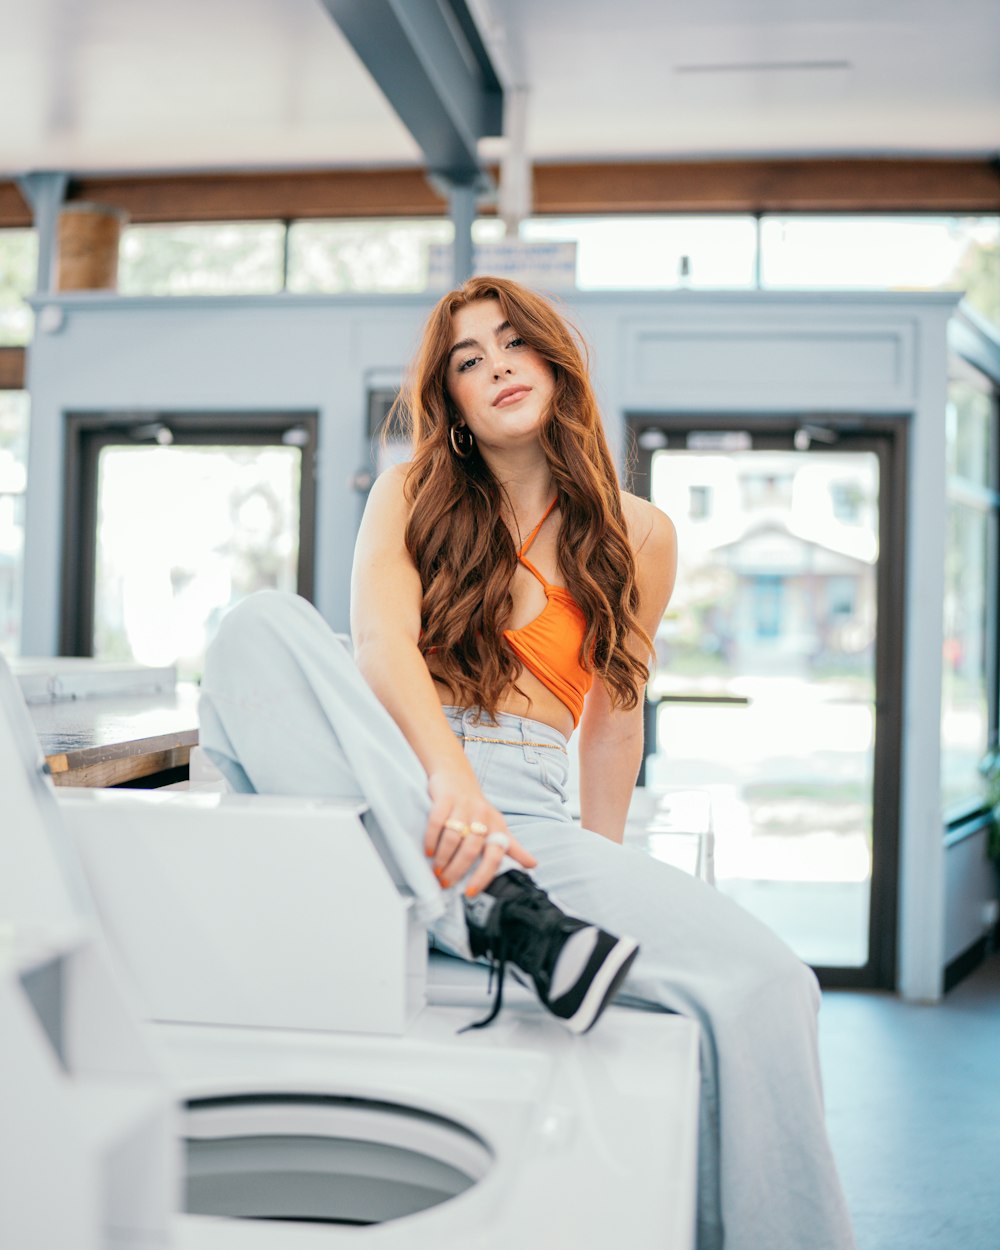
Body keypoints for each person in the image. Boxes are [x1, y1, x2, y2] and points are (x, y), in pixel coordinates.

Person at [198, 275, 856, 1250]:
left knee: (771, 982)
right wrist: (446, 776)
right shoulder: (408, 493)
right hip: (391, 776)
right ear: (452, 402)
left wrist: (598, 876)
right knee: (254, 623)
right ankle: (492, 907)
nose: (495, 363)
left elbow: (612, 724)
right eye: (467, 358)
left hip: (521, 817)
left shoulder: (640, 532)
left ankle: (509, 911)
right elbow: (380, 647)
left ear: (555, 361)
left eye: (512, 342)